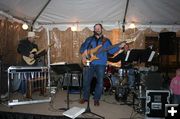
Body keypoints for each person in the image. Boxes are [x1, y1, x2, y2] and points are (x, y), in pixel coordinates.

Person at [79, 23, 125, 106]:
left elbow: (111, 51)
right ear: (94, 30)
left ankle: (96, 99)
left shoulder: (106, 41)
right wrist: (84, 53)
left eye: (98, 28)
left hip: (101, 63)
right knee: (86, 81)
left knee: (100, 82)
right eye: (95, 28)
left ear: (101, 29)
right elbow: (82, 48)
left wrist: (119, 46)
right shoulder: (89, 39)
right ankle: (85, 98)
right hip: (90, 63)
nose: (97, 29)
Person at [16, 31, 45, 96]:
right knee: (25, 78)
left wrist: (42, 53)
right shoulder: (23, 43)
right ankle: (24, 92)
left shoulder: (35, 45)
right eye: (33, 38)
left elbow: (36, 55)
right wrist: (28, 54)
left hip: (34, 63)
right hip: (26, 63)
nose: (34, 39)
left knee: (32, 78)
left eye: (34, 38)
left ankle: (30, 90)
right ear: (29, 38)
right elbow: (19, 50)